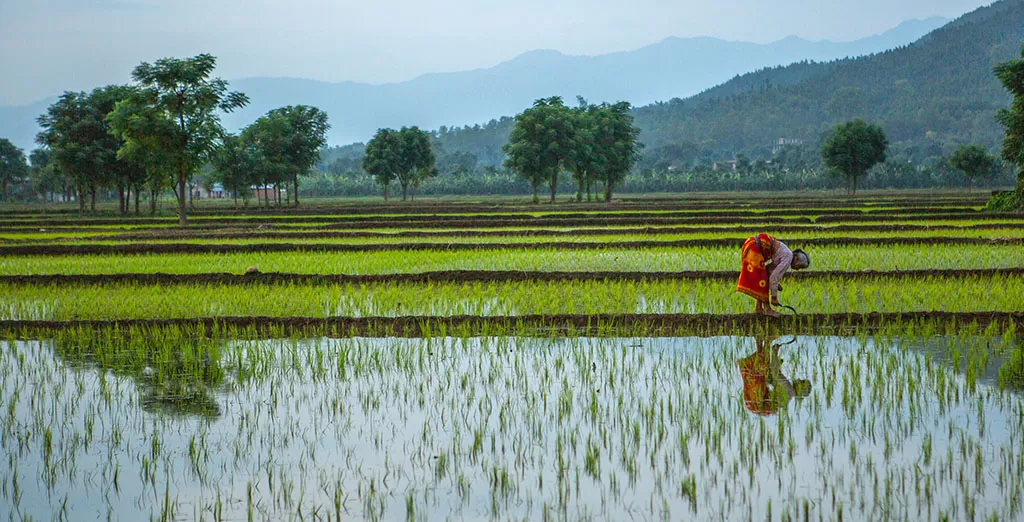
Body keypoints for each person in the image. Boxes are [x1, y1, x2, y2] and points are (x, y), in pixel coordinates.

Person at [736, 233, 810, 317]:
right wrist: (774, 297)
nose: (797, 269)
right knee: (763, 280)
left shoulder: (785, 252)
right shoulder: (788, 257)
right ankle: (767, 309)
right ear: (796, 259)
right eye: (799, 267)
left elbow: (769, 271)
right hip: (754, 248)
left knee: (763, 277)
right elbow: (773, 278)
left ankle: (758, 308)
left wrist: (775, 285)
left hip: (750, 244)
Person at [737, 335, 811, 416]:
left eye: (802, 382)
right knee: (763, 365)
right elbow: (772, 379)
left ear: (800, 388)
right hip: (753, 400)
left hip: (757, 399)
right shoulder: (787, 397)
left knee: (763, 365)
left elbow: (775, 373)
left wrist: (774, 352)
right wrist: (777, 363)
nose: (799, 379)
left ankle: (765, 340)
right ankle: (761, 339)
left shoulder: (789, 391)